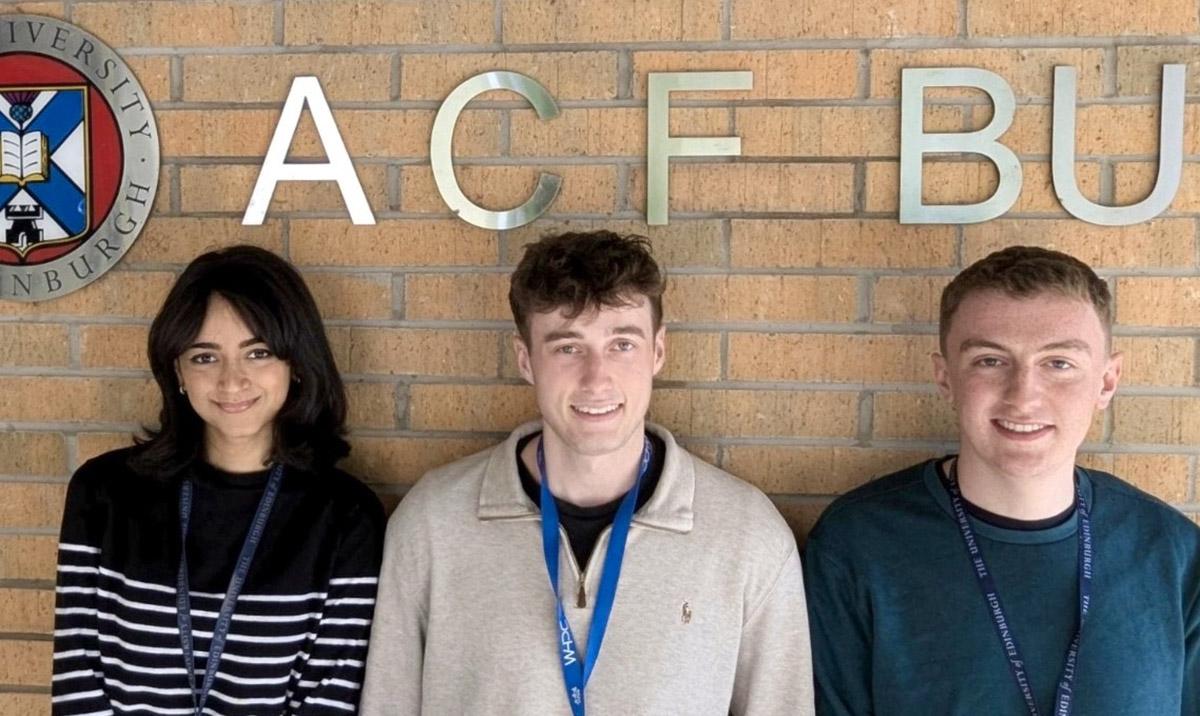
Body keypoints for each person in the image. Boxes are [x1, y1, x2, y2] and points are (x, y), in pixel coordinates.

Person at [361, 230, 813, 714]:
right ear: (525, 360)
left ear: (658, 352)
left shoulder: (747, 535)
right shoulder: (433, 521)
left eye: (622, 344)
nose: (597, 379)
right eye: (567, 348)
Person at [803, 245, 1200, 715]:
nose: (1023, 397)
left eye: (1059, 363)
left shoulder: (1171, 553)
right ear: (945, 377)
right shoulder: (857, 545)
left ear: (1107, 382)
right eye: (991, 361)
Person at [51, 246, 386, 716]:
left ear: (296, 366)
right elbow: (78, 680)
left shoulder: (346, 516)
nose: (233, 381)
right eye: (206, 357)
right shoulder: (104, 492)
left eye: (259, 353)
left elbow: (330, 693)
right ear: (178, 370)